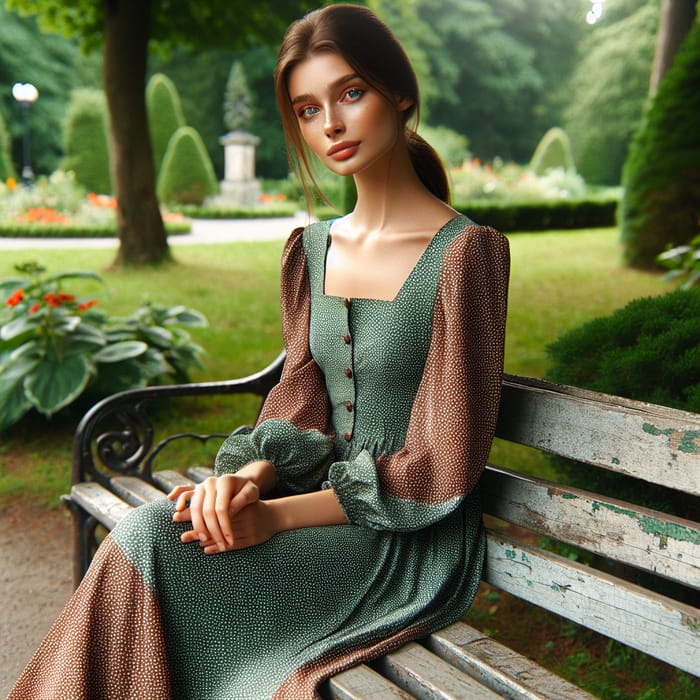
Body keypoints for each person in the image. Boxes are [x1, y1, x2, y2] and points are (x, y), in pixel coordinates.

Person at [9, 4, 509, 698]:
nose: (329, 124)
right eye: (308, 109)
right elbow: (302, 406)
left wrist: (271, 515)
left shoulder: (466, 255)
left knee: (159, 545)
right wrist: (249, 481)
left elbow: (441, 467)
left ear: (401, 94)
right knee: (163, 524)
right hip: (311, 503)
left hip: (402, 541)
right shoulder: (311, 251)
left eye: (351, 93)